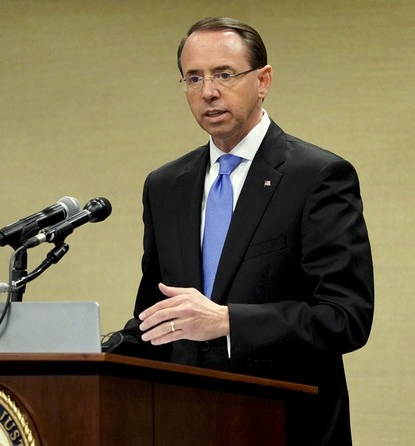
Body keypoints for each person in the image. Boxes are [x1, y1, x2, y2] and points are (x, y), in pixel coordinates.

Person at [107, 16, 374, 446]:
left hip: (286, 427)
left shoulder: (317, 177)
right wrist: (90, 353)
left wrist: (228, 321)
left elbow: (345, 318)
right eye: (193, 78)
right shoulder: (165, 185)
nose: (208, 91)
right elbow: (157, 319)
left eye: (224, 75)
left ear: (263, 80)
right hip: (185, 424)